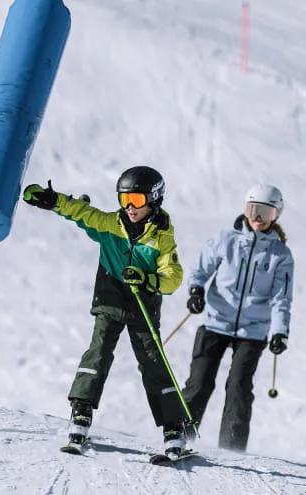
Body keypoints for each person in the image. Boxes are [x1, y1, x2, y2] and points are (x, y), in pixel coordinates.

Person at [22, 166, 191, 456]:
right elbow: (81, 213)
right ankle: (81, 410)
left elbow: (173, 276)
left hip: (142, 307)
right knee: (98, 351)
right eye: (124, 199)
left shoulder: (161, 237)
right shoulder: (112, 224)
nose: (129, 207)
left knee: (153, 361)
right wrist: (53, 201)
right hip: (110, 300)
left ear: (154, 200)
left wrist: (147, 278)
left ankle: (174, 425)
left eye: (136, 200)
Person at [180, 183, 294, 452]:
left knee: (239, 388)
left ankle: (231, 449)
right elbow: (200, 269)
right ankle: (180, 435)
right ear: (245, 209)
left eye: (266, 213)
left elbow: (282, 297)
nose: (258, 217)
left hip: (252, 331)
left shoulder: (280, 255)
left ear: (275, 217)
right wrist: (196, 290)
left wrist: (280, 331)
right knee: (199, 382)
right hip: (216, 321)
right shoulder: (225, 240)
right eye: (254, 209)